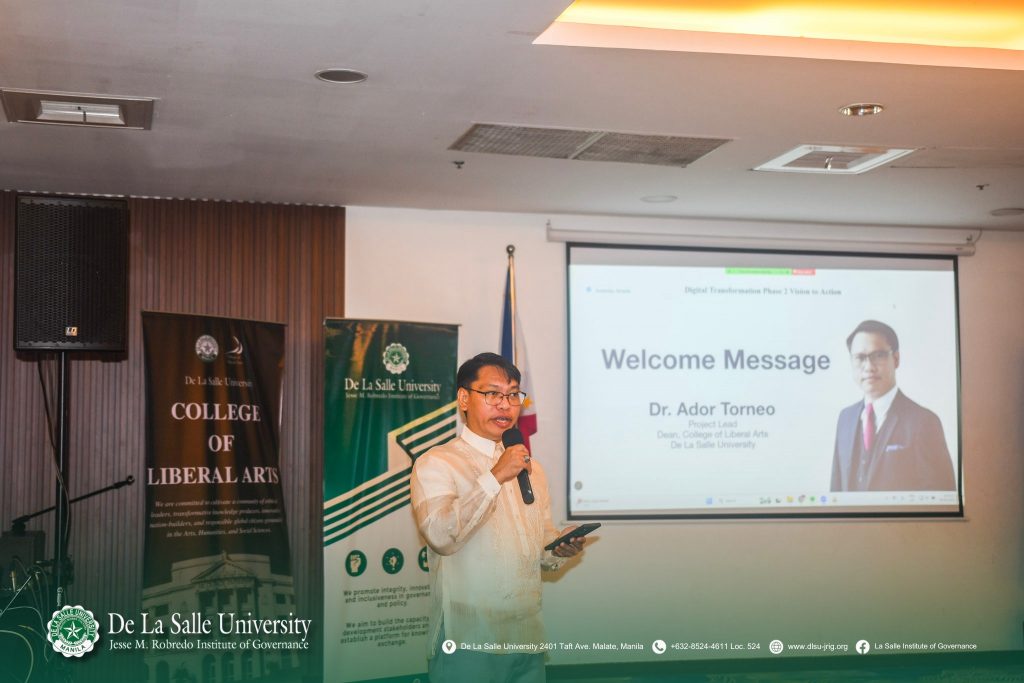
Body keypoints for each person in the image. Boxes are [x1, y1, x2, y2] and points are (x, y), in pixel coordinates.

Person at [410, 352, 585, 683]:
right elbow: (441, 536)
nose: (505, 405)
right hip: (468, 640)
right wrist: (495, 476)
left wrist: (559, 547)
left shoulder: (531, 468)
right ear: (464, 399)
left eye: (513, 394)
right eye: (492, 394)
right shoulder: (437, 462)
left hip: (527, 638)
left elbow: (539, 545)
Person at [831, 320, 956, 492]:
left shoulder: (924, 422)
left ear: (896, 359)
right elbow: (836, 491)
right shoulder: (845, 419)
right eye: (860, 358)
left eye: (878, 355)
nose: (869, 367)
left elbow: (941, 496)